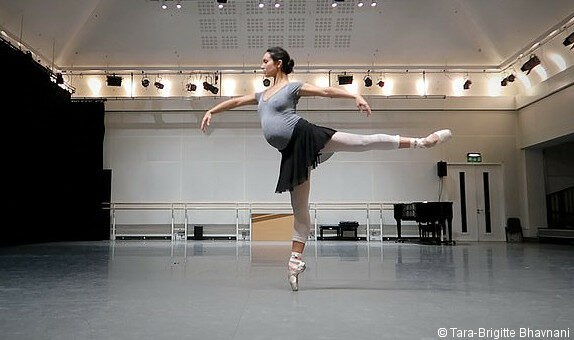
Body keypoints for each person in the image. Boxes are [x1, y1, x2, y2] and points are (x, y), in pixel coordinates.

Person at [200, 47, 451, 291]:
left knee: (361, 142)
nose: (261, 64)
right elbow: (234, 101)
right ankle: (295, 263)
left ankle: (422, 142)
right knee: (299, 209)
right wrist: (212, 110)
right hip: (291, 153)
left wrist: (355, 95)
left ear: (279, 63)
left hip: (305, 136)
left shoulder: (292, 87)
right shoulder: (260, 95)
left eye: (265, 60)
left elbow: (326, 91)